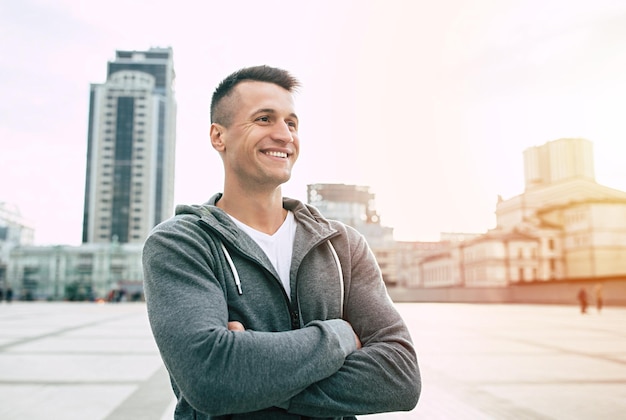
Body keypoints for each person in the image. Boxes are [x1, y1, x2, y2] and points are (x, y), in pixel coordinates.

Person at [143, 65, 421, 419]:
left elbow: (400, 377)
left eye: (291, 123)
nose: (284, 135)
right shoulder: (180, 243)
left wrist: (252, 377)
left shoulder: (342, 245)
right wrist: (337, 337)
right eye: (264, 119)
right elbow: (211, 379)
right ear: (218, 136)